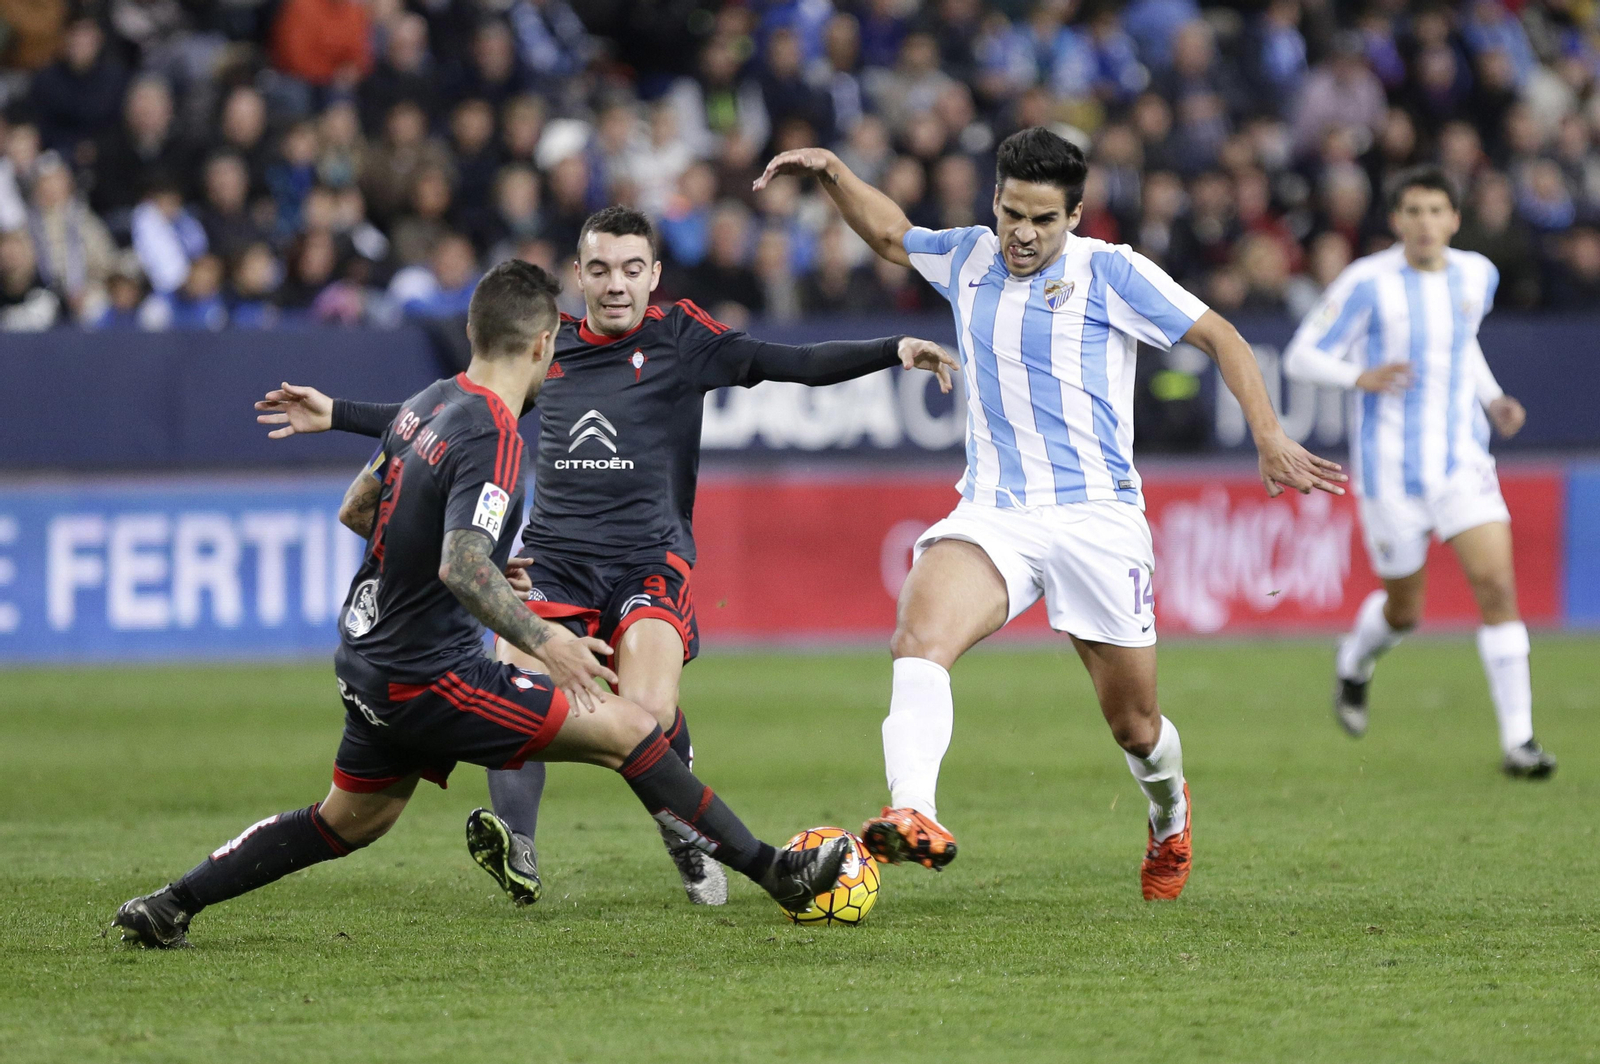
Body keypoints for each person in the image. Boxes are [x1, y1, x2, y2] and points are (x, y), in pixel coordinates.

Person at [112, 260, 852, 949]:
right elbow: (462, 566)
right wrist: (545, 637)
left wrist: (491, 563)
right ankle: (776, 874)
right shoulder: (498, 438)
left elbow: (359, 506)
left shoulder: (428, 403)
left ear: (474, 332)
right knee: (631, 729)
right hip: (432, 678)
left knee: (346, 821)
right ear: (543, 343)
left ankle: (171, 904)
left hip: (367, 662)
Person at [254, 206, 957, 909]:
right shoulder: (547, 349)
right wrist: (339, 412)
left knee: (643, 713)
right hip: (553, 561)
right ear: (577, 276)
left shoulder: (684, 337)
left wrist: (892, 348)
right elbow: (445, 414)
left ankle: (683, 825)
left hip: (650, 561)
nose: (615, 284)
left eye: (629, 269)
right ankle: (519, 849)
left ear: (653, 274)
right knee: (520, 686)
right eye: (599, 269)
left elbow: (787, 362)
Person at [753, 127, 1345, 900]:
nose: (1022, 235)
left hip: (1097, 519)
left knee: (1135, 726)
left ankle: (1169, 818)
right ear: (994, 201)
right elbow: (893, 235)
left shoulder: (1113, 272)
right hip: (995, 512)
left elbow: (1221, 336)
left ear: (1074, 217)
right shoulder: (967, 255)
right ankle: (913, 810)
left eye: (1042, 220)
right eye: (1011, 214)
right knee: (918, 636)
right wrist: (833, 171)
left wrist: (1268, 435)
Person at [1283, 166, 1555, 779]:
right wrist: (1360, 376)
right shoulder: (1367, 282)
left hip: (1463, 462)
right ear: (1396, 220)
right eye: (1413, 211)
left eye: (1437, 210)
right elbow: (1303, 354)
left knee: (1497, 589)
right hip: (1390, 476)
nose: (1425, 222)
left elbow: (1463, 342)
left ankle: (1521, 741)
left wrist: (1492, 398)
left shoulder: (1477, 274)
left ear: (1454, 220)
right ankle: (1355, 662)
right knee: (1405, 610)